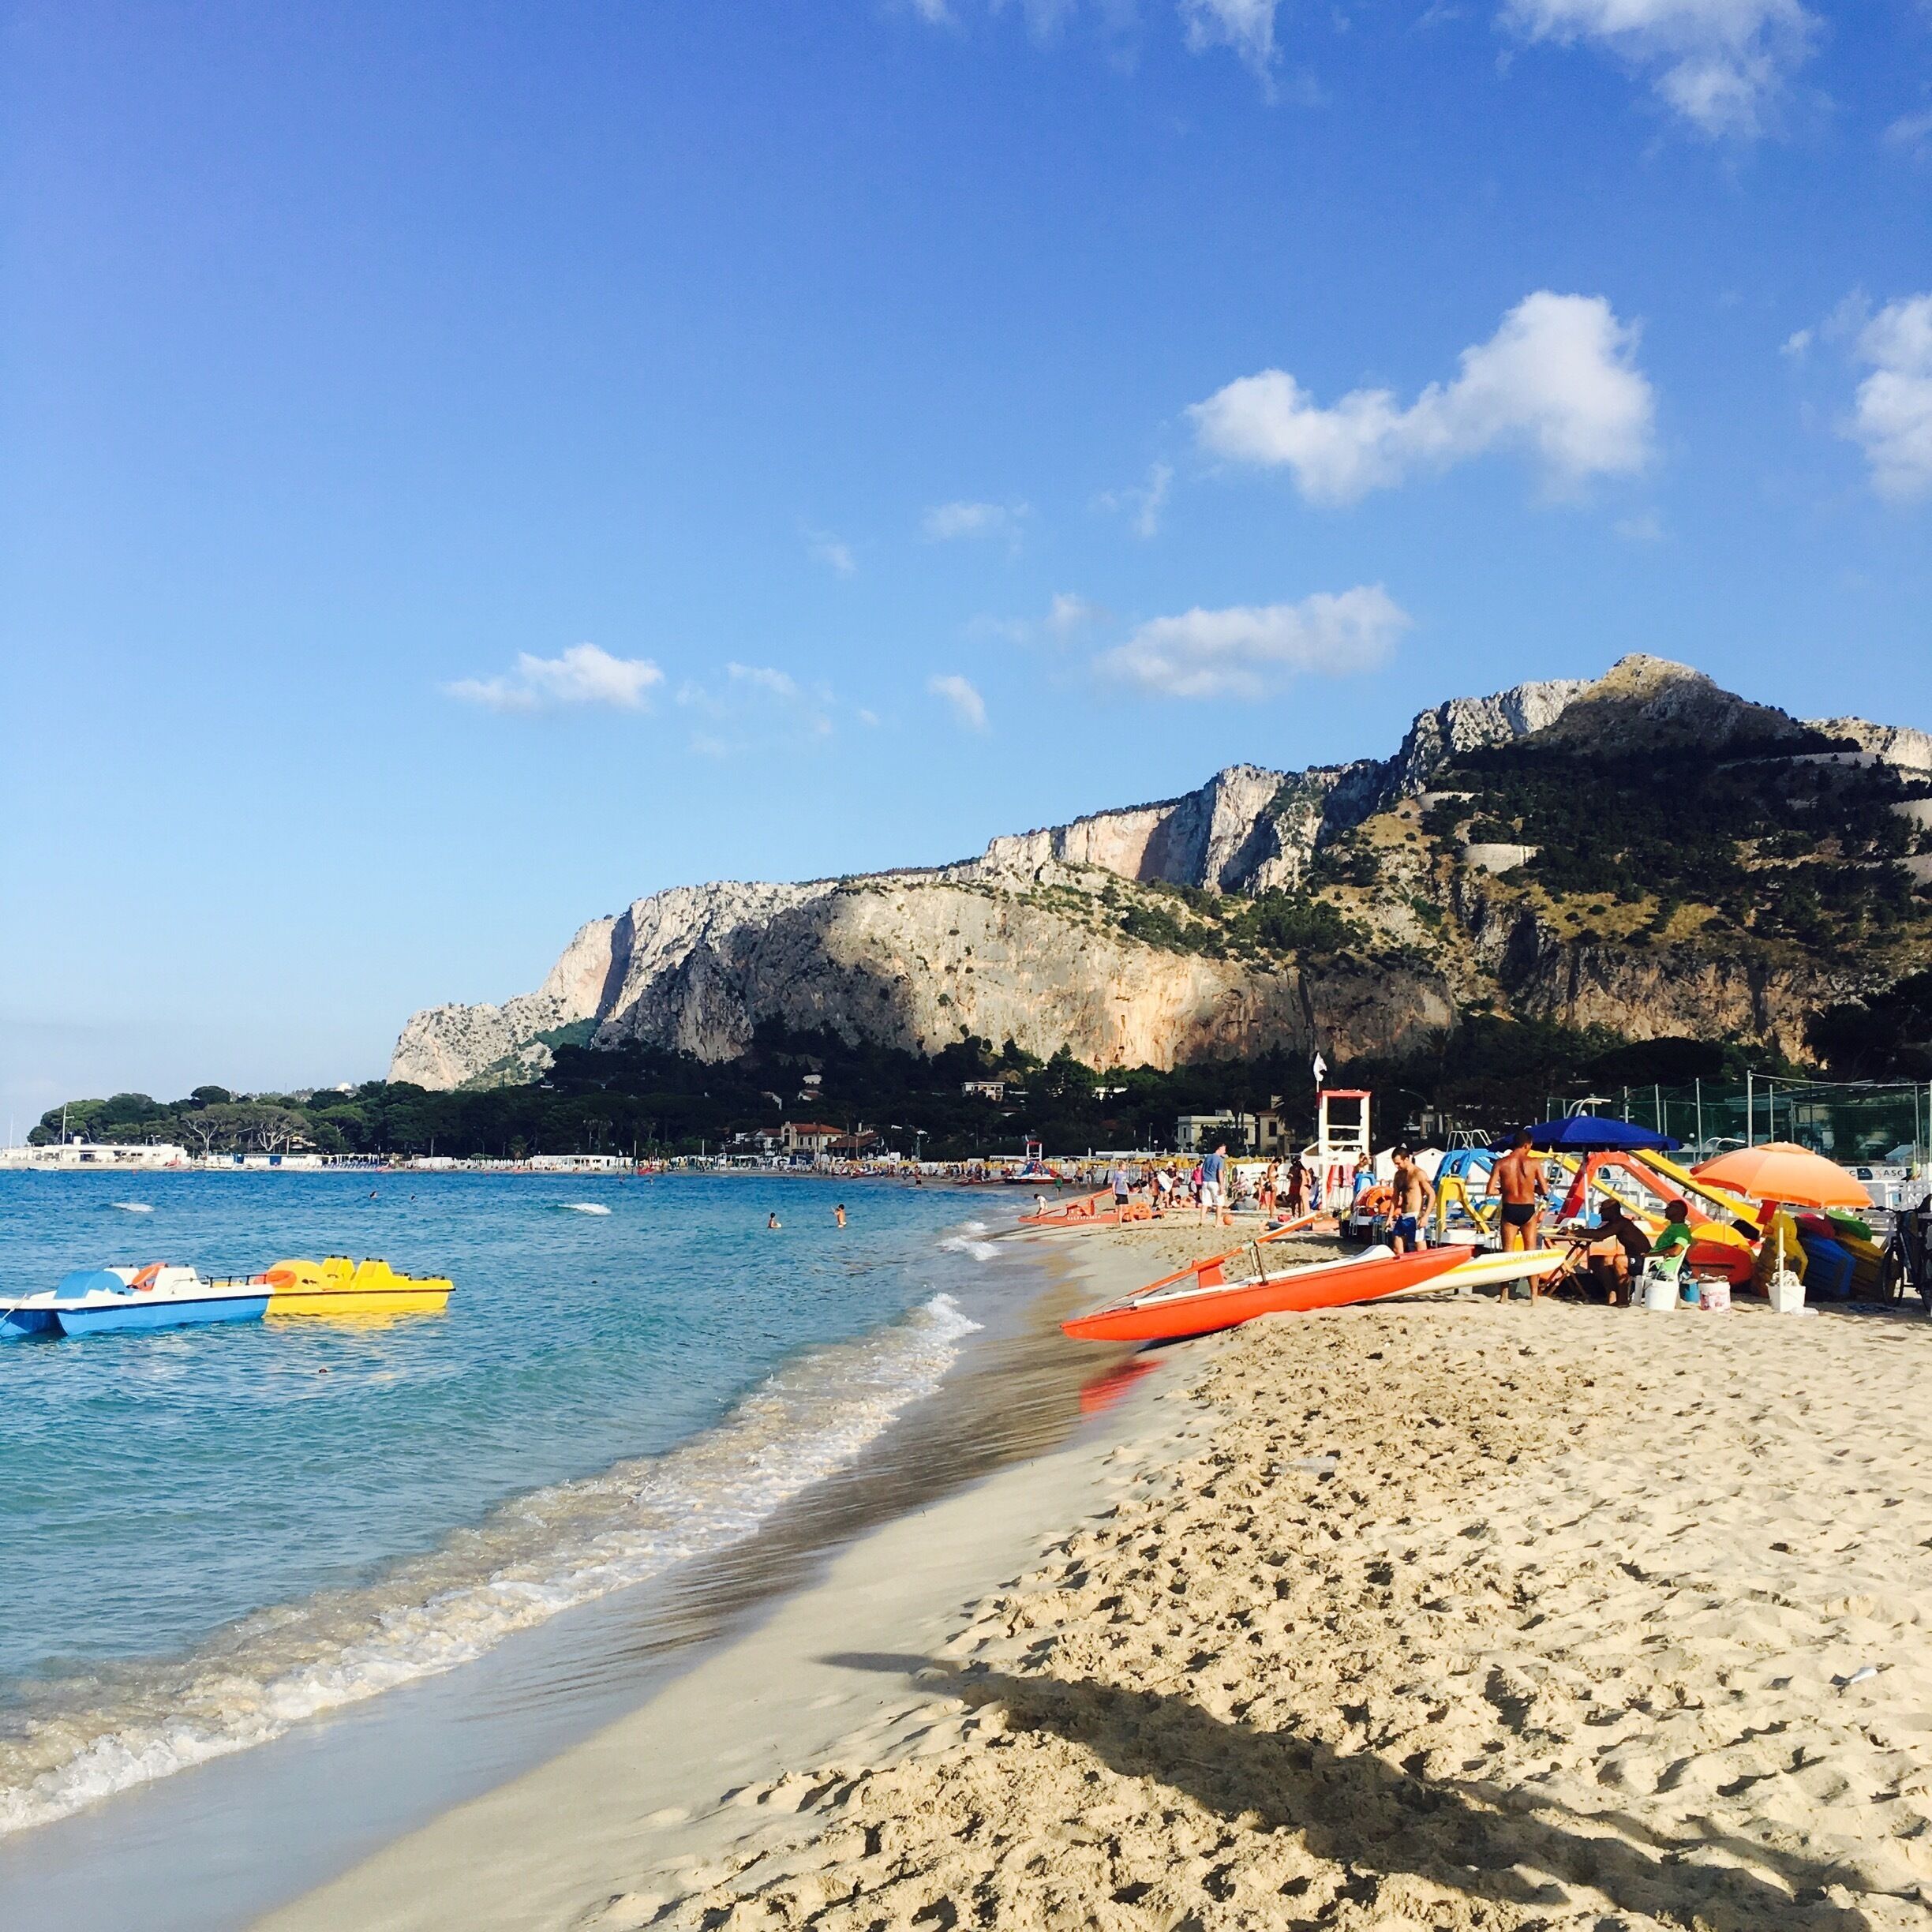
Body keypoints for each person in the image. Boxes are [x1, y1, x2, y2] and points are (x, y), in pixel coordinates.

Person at [1487, 1129, 1549, 1256]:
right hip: (1528, 1208)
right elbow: (1544, 1190)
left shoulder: (1500, 1163)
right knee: (1530, 1253)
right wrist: (1530, 1188)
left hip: (1509, 1208)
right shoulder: (1534, 1163)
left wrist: (1505, 1189)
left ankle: (1509, 1276)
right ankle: (1532, 1276)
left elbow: (1490, 1191)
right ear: (1527, 1145)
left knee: (1507, 1254)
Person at [1587, 1196, 1651, 1305]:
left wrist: (1577, 1232)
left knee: (1618, 1260)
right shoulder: (1617, 1222)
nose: (1601, 1214)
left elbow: (1600, 1235)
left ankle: (1622, 1299)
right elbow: (1600, 1232)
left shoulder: (1621, 1223)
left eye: (1603, 1211)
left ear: (1612, 1211)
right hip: (1634, 1258)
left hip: (1642, 1259)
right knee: (1596, 1260)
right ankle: (1612, 1293)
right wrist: (1581, 1231)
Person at [1390, 1147, 1434, 1256]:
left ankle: (1425, 1269)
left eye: (1398, 1163)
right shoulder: (1398, 1175)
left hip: (1415, 1216)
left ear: (1406, 1159)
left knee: (1420, 1250)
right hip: (1403, 1215)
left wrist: (1425, 1216)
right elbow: (1395, 1197)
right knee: (1397, 1249)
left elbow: (1432, 1195)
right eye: (1395, 1164)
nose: (1397, 1166)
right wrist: (1390, 1216)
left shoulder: (1418, 1174)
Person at [1199, 1142, 1230, 1227]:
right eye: (1224, 1150)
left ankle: (1202, 1220)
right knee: (1219, 1203)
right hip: (1214, 1182)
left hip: (1205, 1181)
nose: (1224, 1152)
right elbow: (1220, 1173)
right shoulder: (1220, 1159)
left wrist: (1202, 1181)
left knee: (1205, 1202)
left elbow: (1202, 1170)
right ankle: (1217, 1222)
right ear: (1219, 1149)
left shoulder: (1208, 1157)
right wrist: (1222, 1185)